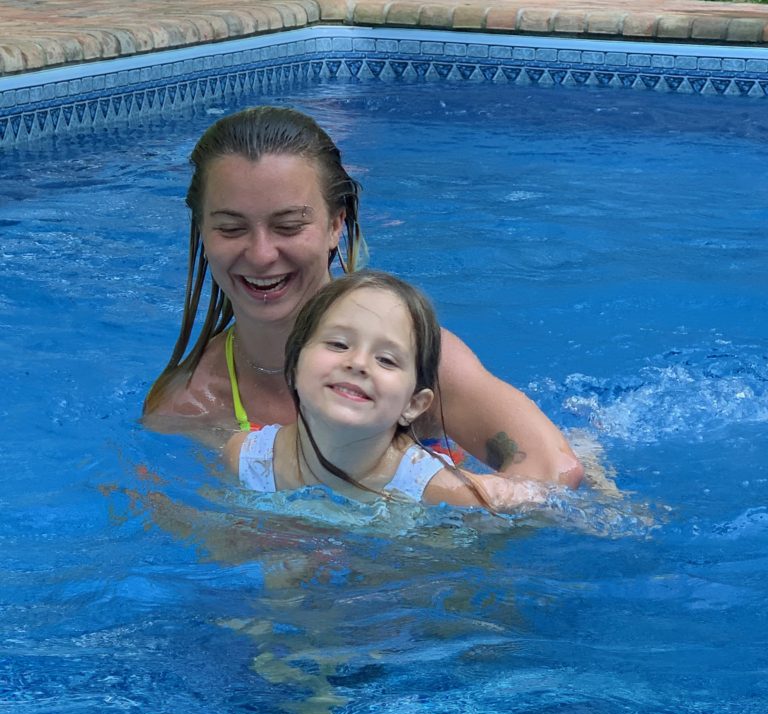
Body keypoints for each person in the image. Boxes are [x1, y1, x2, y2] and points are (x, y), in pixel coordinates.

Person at [143, 105, 583, 488]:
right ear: (202, 230)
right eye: (231, 228)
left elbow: (556, 470)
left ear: (337, 224)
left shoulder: (409, 362)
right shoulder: (189, 406)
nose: (260, 254)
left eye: (290, 226)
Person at [224, 269, 544, 510]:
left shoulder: (439, 491)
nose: (359, 363)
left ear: (414, 405)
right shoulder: (248, 458)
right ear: (293, 366)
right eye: (338, 343)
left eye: (387, 360)